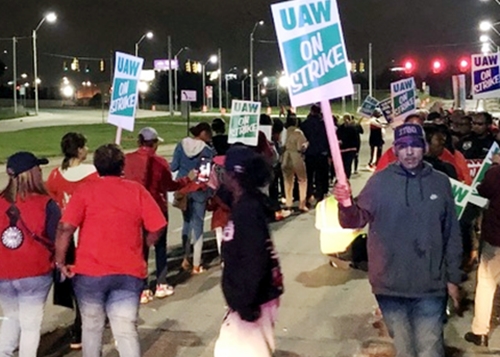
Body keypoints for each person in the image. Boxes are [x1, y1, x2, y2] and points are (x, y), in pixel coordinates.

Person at [333, 123, 463, 357]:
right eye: (403, 147)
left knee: (430, 348)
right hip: (390, 287)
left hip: (430, 286)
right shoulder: (379, 182)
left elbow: (451, 232)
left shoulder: (440, 182)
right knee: (404, 349)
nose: (409, 152)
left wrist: (452, 277)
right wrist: (345, 203)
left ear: (424, 147)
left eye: (415, 146)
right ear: (395, 150)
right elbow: (353, 221)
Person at [55, 144, 167, 357]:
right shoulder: (136, 190)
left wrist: (60, 261)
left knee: (91, 327)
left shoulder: (86, 191)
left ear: (97, 167)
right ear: (121, 166)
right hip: (128, 271)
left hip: (90, 272)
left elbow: (65, 227)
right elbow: (158, 226)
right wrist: (144, 243)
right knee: (125, 329)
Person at [214, 146, 284, 357]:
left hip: (253, 301)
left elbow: (256, 259)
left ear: (234, 175)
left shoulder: (248, 210)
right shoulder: (244, 203)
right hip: (251, 299)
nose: (221, 174)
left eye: (225, 170)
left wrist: (246, 303)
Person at [0, 152, 61, 357]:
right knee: (30, 326)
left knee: (10, 317)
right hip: (35, 271)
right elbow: (56, 238)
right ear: (32, 173)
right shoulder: (46, 203)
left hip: (4, 271)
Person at [124, 127, 192, 303]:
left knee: (141, 249)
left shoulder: (127, 160)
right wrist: (187, 179)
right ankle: (161, 284)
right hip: (157, 209)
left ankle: (143, 288)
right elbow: (170, 185)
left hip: (135, 210)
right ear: (153, 144)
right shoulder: (160, 162)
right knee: (160, 247)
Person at [46, 132, 99, 350]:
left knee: (74, 285)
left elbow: (52, 204)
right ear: (79, 150)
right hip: (87, 235)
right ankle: (83, 328)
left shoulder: (56, 175)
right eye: (85, 146)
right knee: (89, 286)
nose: (87, 149)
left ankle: (78, 329)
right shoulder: (93, 174)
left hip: (65, 236)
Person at [464, 154, 500, 347]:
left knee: (486, 284)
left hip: (496, 239)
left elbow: (483, 189)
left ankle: (481, 331)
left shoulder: (496, 173)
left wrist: (494, 167)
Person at [171, 122, 215, 274]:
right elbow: (204, 175)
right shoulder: (207, 150)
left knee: (186, 223)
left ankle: (185, 258)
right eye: (208, 133)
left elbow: (173, 167)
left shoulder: (181, 145)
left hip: (182, 188)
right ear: (203, 133)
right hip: (199, 190)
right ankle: (196, 264)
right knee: (198, 226)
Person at [300, 104, 329, 206]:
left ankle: (308, 196)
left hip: (309, 154)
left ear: (311, 111)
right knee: (320, 176)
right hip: (321, 153)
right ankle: (319, 196)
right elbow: (327, 139)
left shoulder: (304, 124)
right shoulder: (324, 125)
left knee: (309, 176)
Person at [281, 114, 308, 212]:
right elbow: (300, 147)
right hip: (296, 156)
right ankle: (302, 203)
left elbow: (281, 144)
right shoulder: (298, 132)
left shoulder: (284, 132)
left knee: (288, 181)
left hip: (286, 156)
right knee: (302, 180)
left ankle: (288, 203)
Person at [337, 114, 360, 179]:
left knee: (348, 164)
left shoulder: (353, 128)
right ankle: (343, 176)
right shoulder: (340, 128)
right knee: (343, 164)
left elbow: (356, 139)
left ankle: (347, 177)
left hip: (351, 149)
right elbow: (337, 137)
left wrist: (357, 150)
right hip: (343, 149)